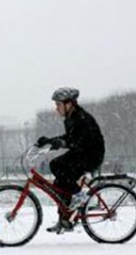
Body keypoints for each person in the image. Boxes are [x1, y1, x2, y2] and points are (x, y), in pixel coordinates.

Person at [36, 87, 105, 234]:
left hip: (91, 155)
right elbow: (69, 138)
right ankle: (65, 220)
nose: (57, 109)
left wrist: (61, 143)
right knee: (58, 177)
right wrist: (50, 141)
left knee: (62, 171)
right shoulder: (71, 118)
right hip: (81, 153)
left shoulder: (82, 118)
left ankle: (78, 196)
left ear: (69, 104)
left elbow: (79, 142)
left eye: (58, 105)